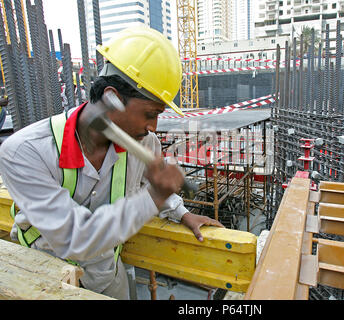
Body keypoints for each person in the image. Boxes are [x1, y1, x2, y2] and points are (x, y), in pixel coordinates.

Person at [0, 26, 224, 299]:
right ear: (112, 99)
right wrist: (153, 196)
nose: (153, 126)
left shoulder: (144, 144)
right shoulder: (24, 152)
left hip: (105, 275)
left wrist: (180, 212)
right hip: (43, 274)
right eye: (150, 114)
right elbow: (76, 237)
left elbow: (150, 181)